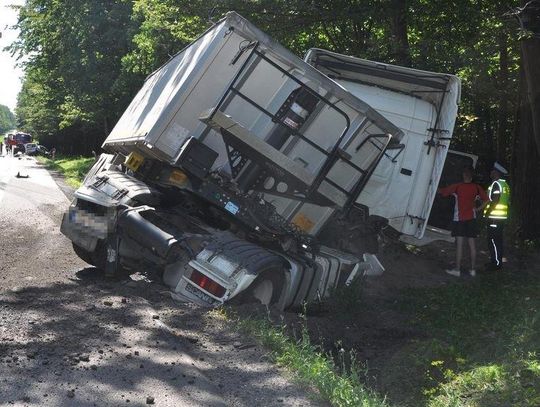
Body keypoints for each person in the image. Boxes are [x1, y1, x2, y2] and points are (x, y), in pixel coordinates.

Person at [438, 166, 488, 277]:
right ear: (471, 177)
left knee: (459, 245)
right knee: (472, 245)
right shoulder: (477, 187)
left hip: (459, 220)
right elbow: (486, 199)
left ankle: (457, 270)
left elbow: (443, 192)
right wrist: (478, 209)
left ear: (463, 176)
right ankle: (473, 270)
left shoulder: (457, 187)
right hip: (472, 219)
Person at [482, 162, 510, 270]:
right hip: (501, 217)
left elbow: (495, 200)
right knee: (497, 240)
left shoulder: (496, 184)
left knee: (493, 240)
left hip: (494, 217)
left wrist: (488, 213)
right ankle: (496, 262)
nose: (490, 173)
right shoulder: (505, 185)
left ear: (496, 172)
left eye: (492, 171)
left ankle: (496, 263)